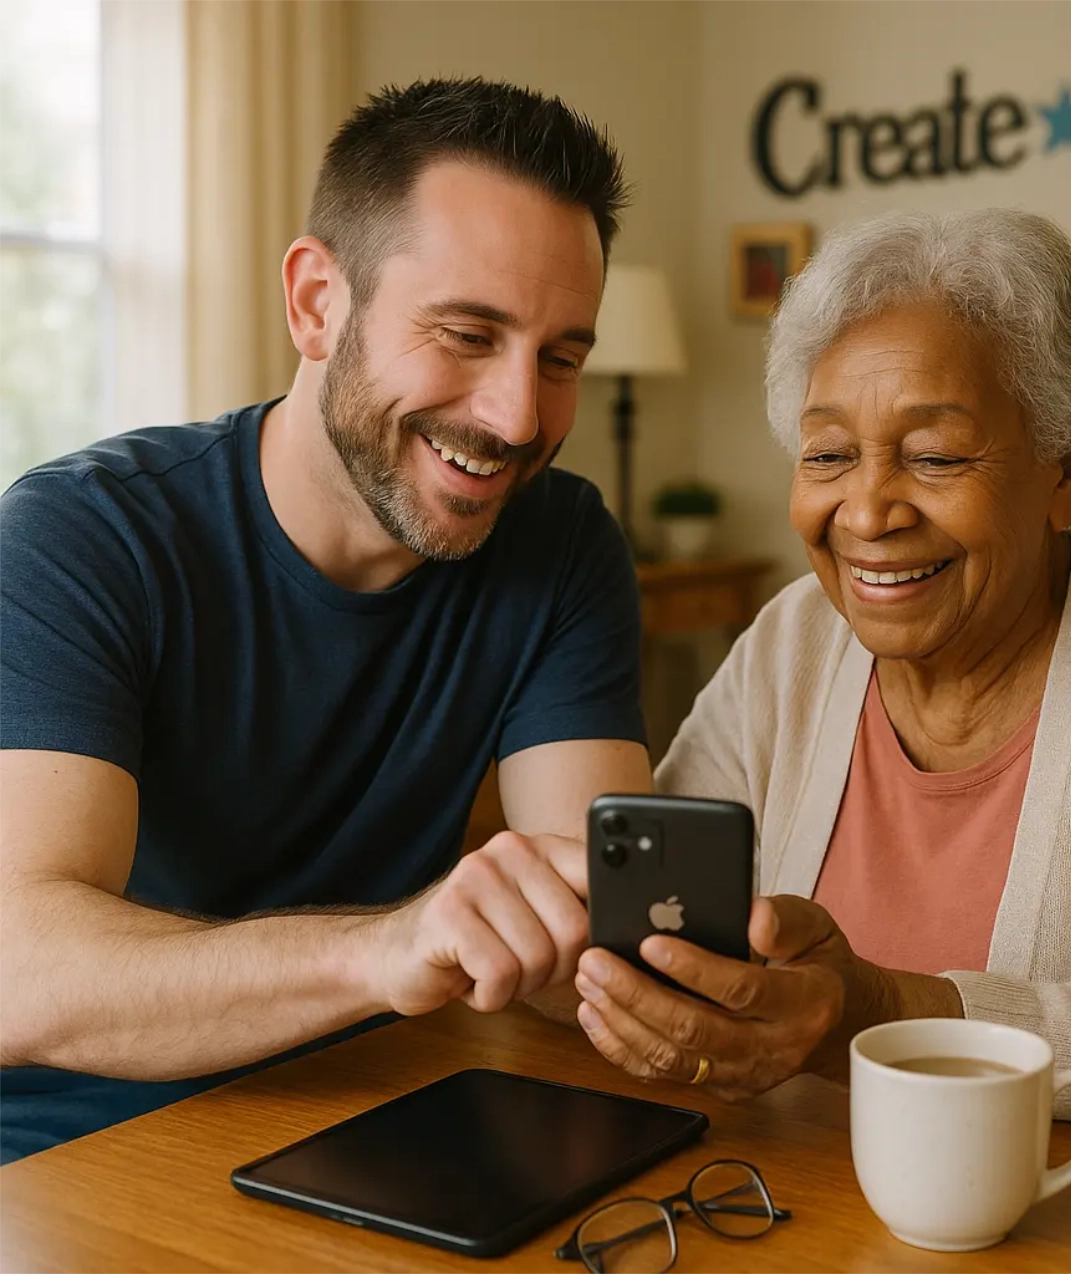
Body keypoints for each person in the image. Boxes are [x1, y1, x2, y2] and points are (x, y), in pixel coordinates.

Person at [0, 77, 653, 1165]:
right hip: (78, 1151)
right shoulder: (82, 535)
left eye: (561, 359)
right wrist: (386, 948)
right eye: (466, 333)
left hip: (377, 1117)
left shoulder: (562, 543)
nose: (516, 417)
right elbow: (19, 971)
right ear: (315, 303)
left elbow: (582, 937)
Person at [571, 209, 1071, 1136]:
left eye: (935, 457)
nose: (867, 513)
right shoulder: (793, 639)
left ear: (1064, 473)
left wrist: (894, 1014)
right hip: (784, 1188)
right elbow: (652, 921)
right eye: (828, 455)